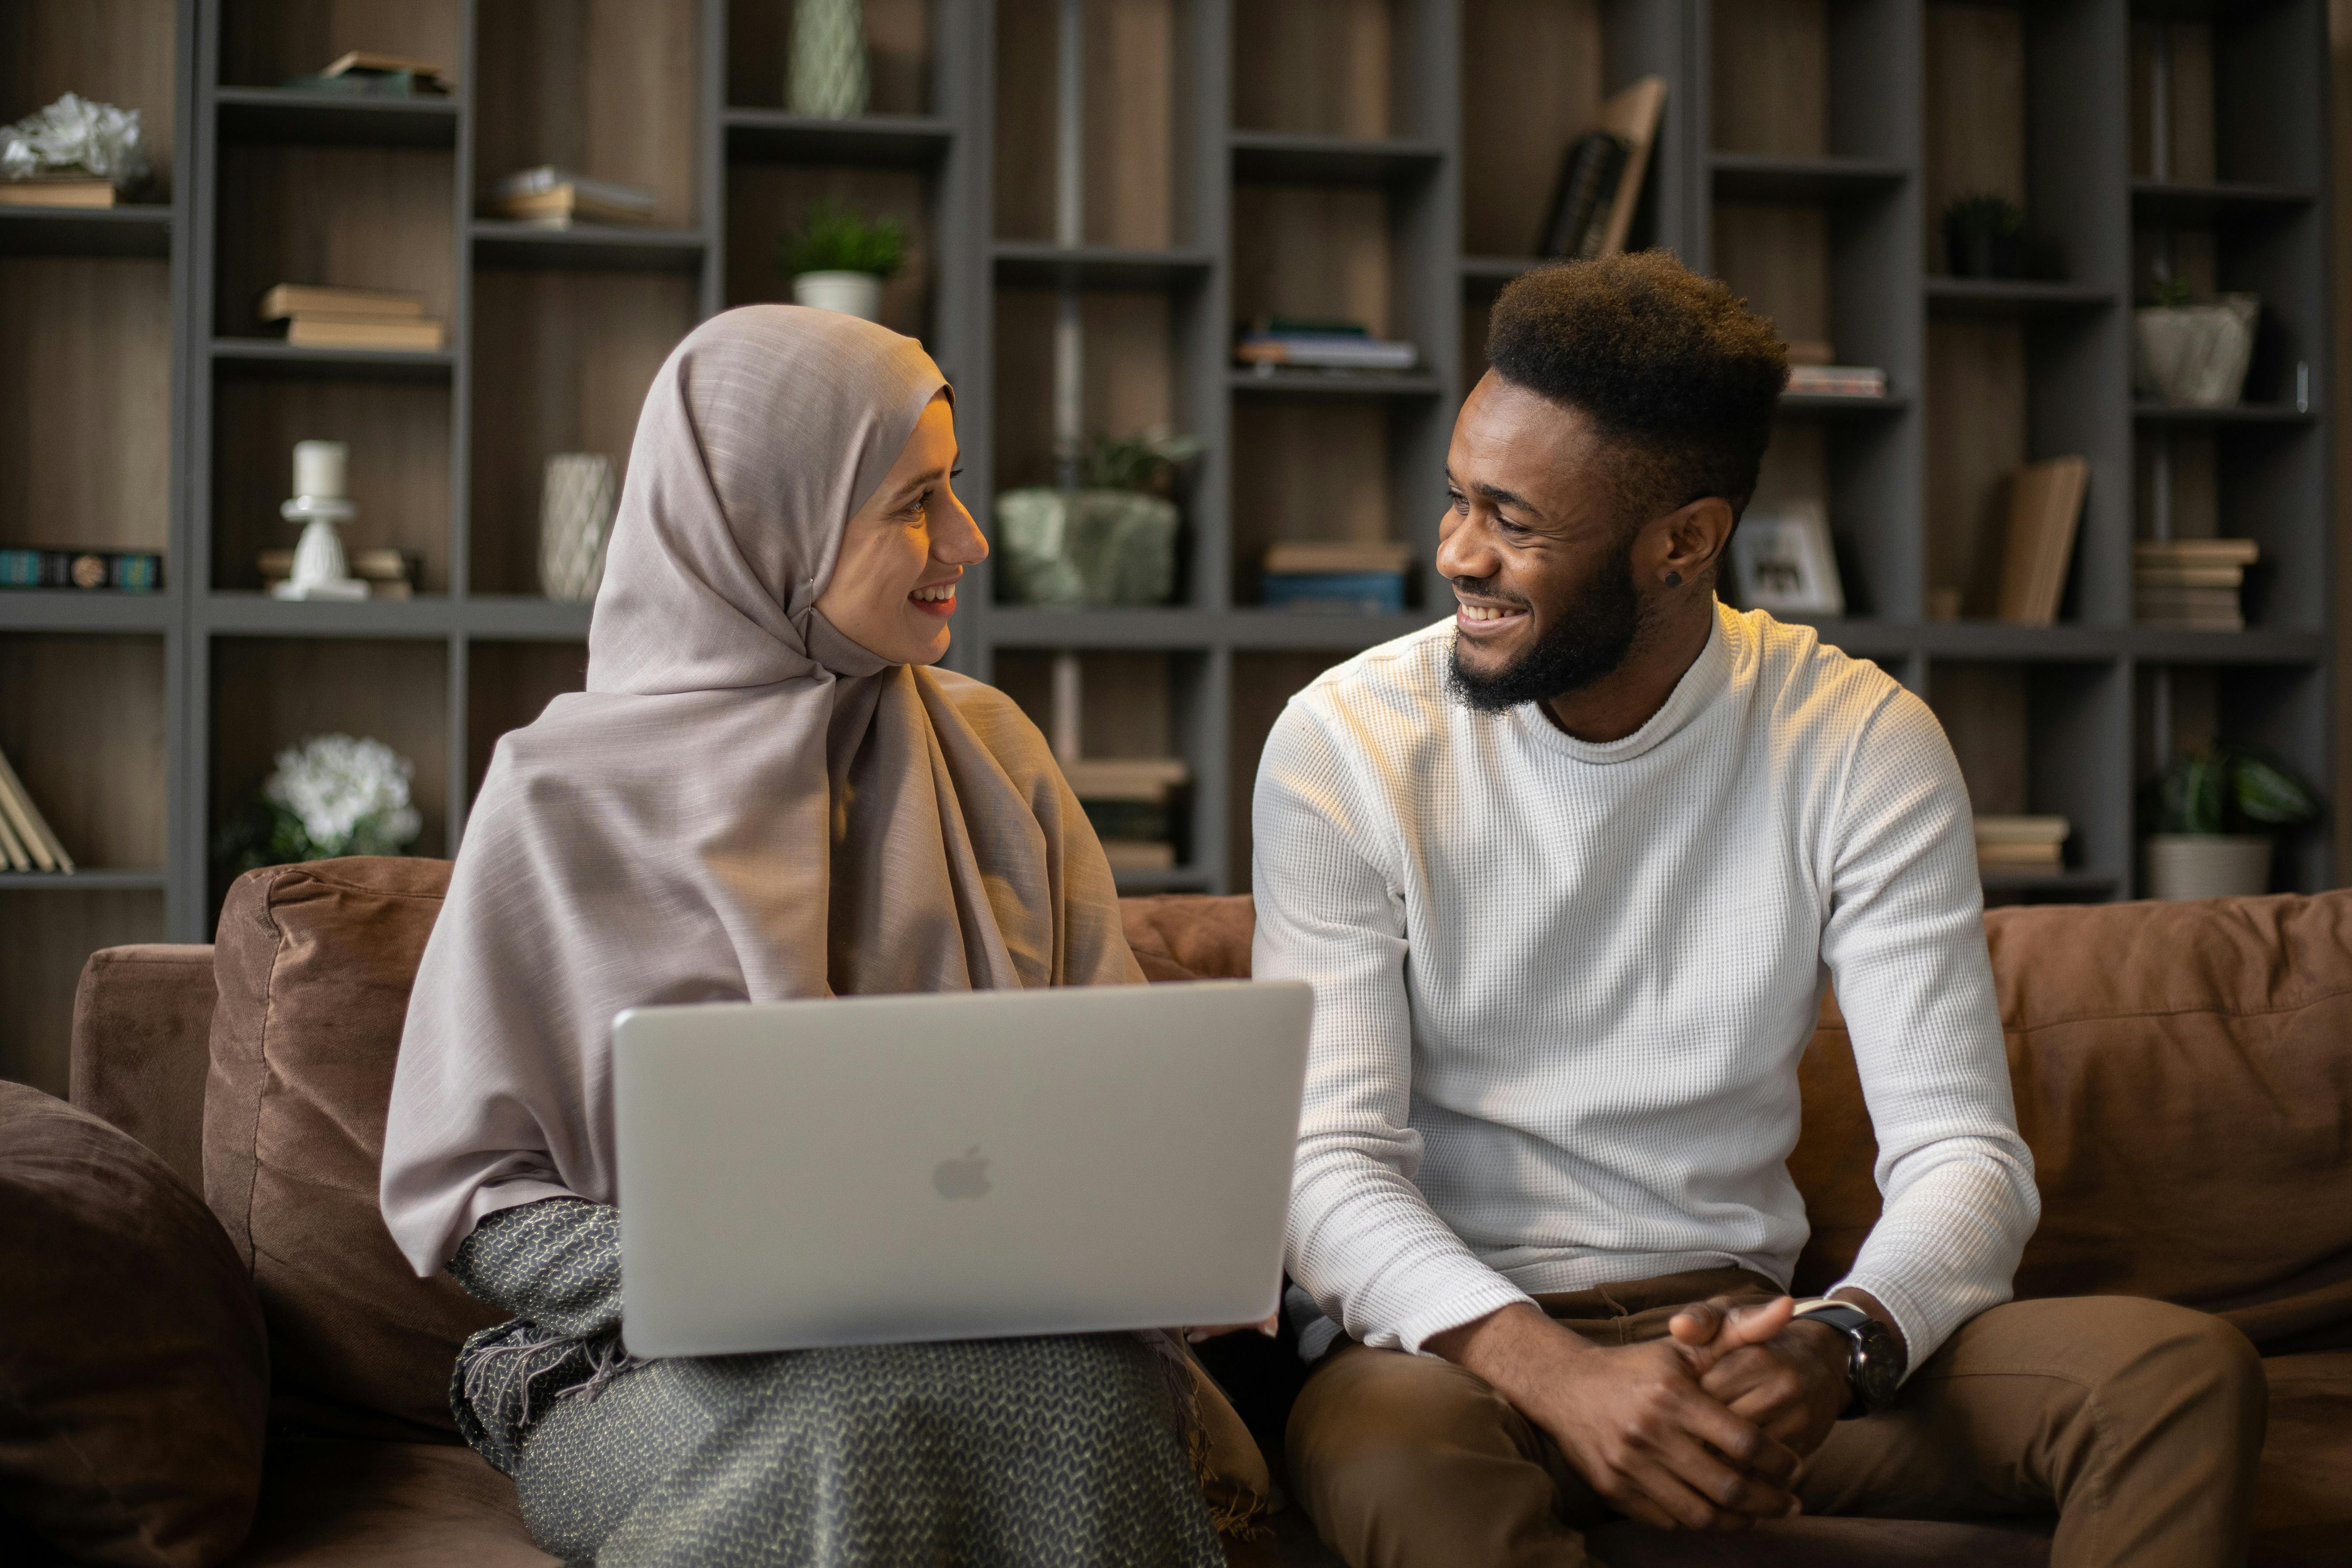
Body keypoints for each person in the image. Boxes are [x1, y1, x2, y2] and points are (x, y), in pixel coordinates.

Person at [1252, 252, 2266, 1568]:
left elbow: (1963, 1153)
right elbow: (1327, 1169)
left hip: (1736, 1334)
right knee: (1388, 1453)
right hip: (1454, 1361)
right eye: (1456, 499)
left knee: (2174, 1373)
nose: (1457, 554)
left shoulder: (1856, 738)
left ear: (1683, 541)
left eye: (1513, 519)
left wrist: (1834, 1343)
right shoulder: (1344, 743)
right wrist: (1560, 1376)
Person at [379, 305, 1236, 1568]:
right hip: (639, 1366)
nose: (970, 540)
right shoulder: (558, 795)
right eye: (915, 502)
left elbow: (1114, 1103)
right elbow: (476, 1204)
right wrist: (739, 1273)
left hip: (1011, 1340)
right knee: (852, 1413)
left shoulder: (992, 752)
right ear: (762, 523)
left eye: (958, 489)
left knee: (1096, 1402)